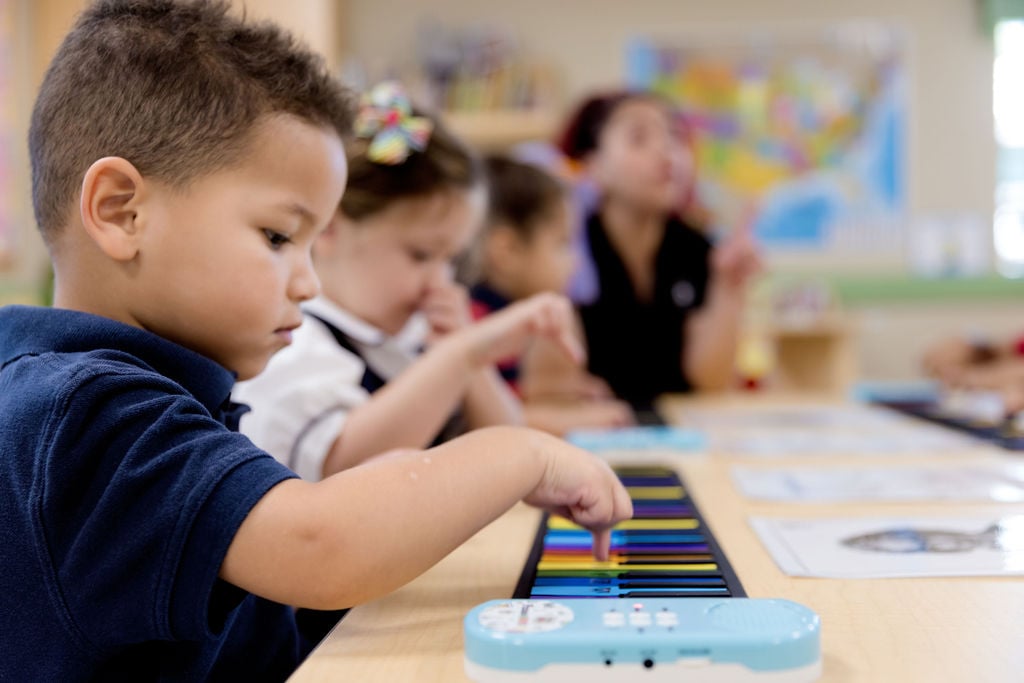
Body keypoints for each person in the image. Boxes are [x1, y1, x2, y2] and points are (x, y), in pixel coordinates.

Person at [0, 3, 633, 680]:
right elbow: (319, 544)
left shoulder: (122, 390)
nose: (307, 281)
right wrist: (522, 455)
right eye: (278, 236)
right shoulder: (85, 407)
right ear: (121, 211)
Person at [233, 84, 591, 479]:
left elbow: (513, 448)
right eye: (420, 255)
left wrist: (470, 359)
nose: (440, 281)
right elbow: (340, 470)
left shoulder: (416, 337)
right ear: (330, 228)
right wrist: (459, 356)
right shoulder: (295, 345)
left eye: (451, 259)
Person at [529, 91, 762, 409]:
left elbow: (710, 383)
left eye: (675, 136)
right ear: (591, 164)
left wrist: (729, 287)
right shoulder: (569, 246)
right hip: (594, 426)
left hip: (676, 427)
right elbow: (552, 389)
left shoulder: (696, 248)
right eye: (639, 138)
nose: (667, 152)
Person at [467, 154, 634, 434]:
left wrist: (554, 394)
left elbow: (508, 397)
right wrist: (570, 420)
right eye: (562, 243)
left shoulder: (502, 314)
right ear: (507, 250)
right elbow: (485, 422)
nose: (574, 262)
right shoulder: (478, 321)